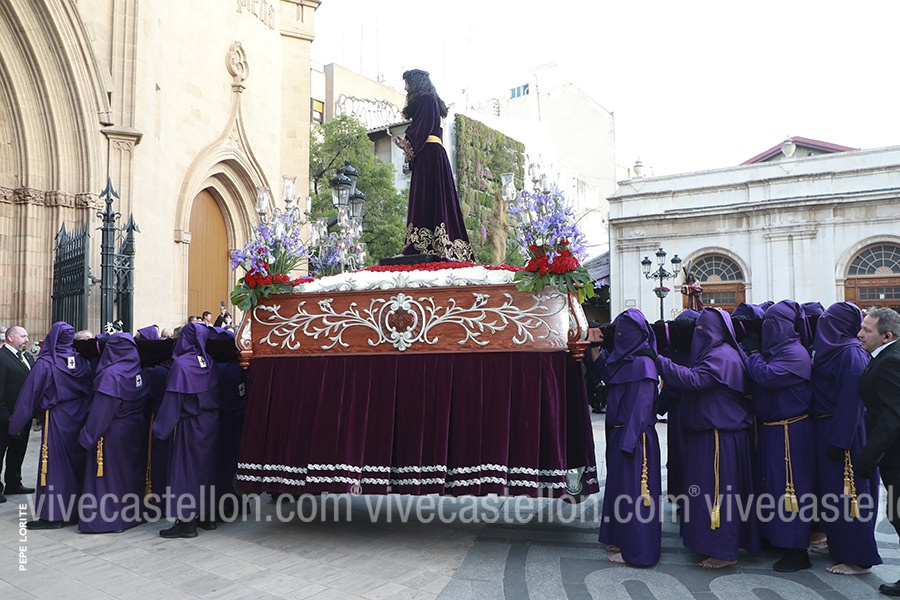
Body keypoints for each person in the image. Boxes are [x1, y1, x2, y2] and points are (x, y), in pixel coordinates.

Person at [810, 302, 881, 575]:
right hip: (828, 429)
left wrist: (840, 441)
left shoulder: (850, 354)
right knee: (833, 495)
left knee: (850, 495)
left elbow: (852, 403)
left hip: (845, 434)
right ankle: (839, 544)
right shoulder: (835, 351)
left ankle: (858, 558)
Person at [588, 308, 661, 566]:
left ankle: (639, 552)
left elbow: (641, 410)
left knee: (636, 495)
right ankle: (622, 538)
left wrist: (628, 443)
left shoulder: (643, 364)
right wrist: (594, 346)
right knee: (621, 491)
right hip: (621, 435)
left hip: (636, 439)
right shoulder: (626, 359)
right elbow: (605, 370)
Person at [745, 300, 814, 572]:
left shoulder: (795, 353)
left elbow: (767, 376)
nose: (768, 328)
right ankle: (776, 538)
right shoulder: (775, 350)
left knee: (790, 489)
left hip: (790, 431)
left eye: (773, 323)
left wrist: (752, 354)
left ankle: (796, 549)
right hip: (772, 428)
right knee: (771, 487)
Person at [10, 322, 93, 529]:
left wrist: (15, 425)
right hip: (80, 415)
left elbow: (29, 395)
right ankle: (75, 511)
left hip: (57, 417)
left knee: (55, 466)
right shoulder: (81, 360)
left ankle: (54, 515)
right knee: (76, 463)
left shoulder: (46, 363)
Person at [394, 69, 473, 262]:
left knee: (426, 197)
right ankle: (429, 243)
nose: (406, 89)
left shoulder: (426, 99)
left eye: (407, 84)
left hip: (429, 155)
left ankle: (426, 244)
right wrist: (408, 145)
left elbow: (422, 127)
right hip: (429, 155)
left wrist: (408, 142)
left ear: (415, 83)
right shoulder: (430, 101)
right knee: (431, 198)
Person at [152, 322, 219, 538]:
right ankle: (207, 516)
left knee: (185, 470)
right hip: (210, 421)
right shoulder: (208, 361)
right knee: (206, 469)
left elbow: (173, 400)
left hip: (191, 423)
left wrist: (160, 430)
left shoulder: (181, 365)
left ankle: (186, 522)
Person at [78, 333, 149, 533]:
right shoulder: (138, 370)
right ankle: (132, 514)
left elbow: (102, 410)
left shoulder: (111, 375)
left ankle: (109, 520)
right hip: (134, 429)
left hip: (112, 431)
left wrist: (87, 436)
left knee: (110, 477)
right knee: (129, 474)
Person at [854, 307, 900, 596]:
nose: (860, 334)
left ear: (887, 336)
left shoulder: (890, 362)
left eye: (866, 330)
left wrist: (869, 455)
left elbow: (892, 415)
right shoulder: (884, 357)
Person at [0, 326, 36, 502]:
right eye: (23, 336)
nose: (26, 340)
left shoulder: (27, 357)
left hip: (23, 416)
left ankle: (13, 483)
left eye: (27, 336)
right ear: (10, 338)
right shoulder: (1, 357)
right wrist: (5, 416)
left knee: (18, 451)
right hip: (6, 417)